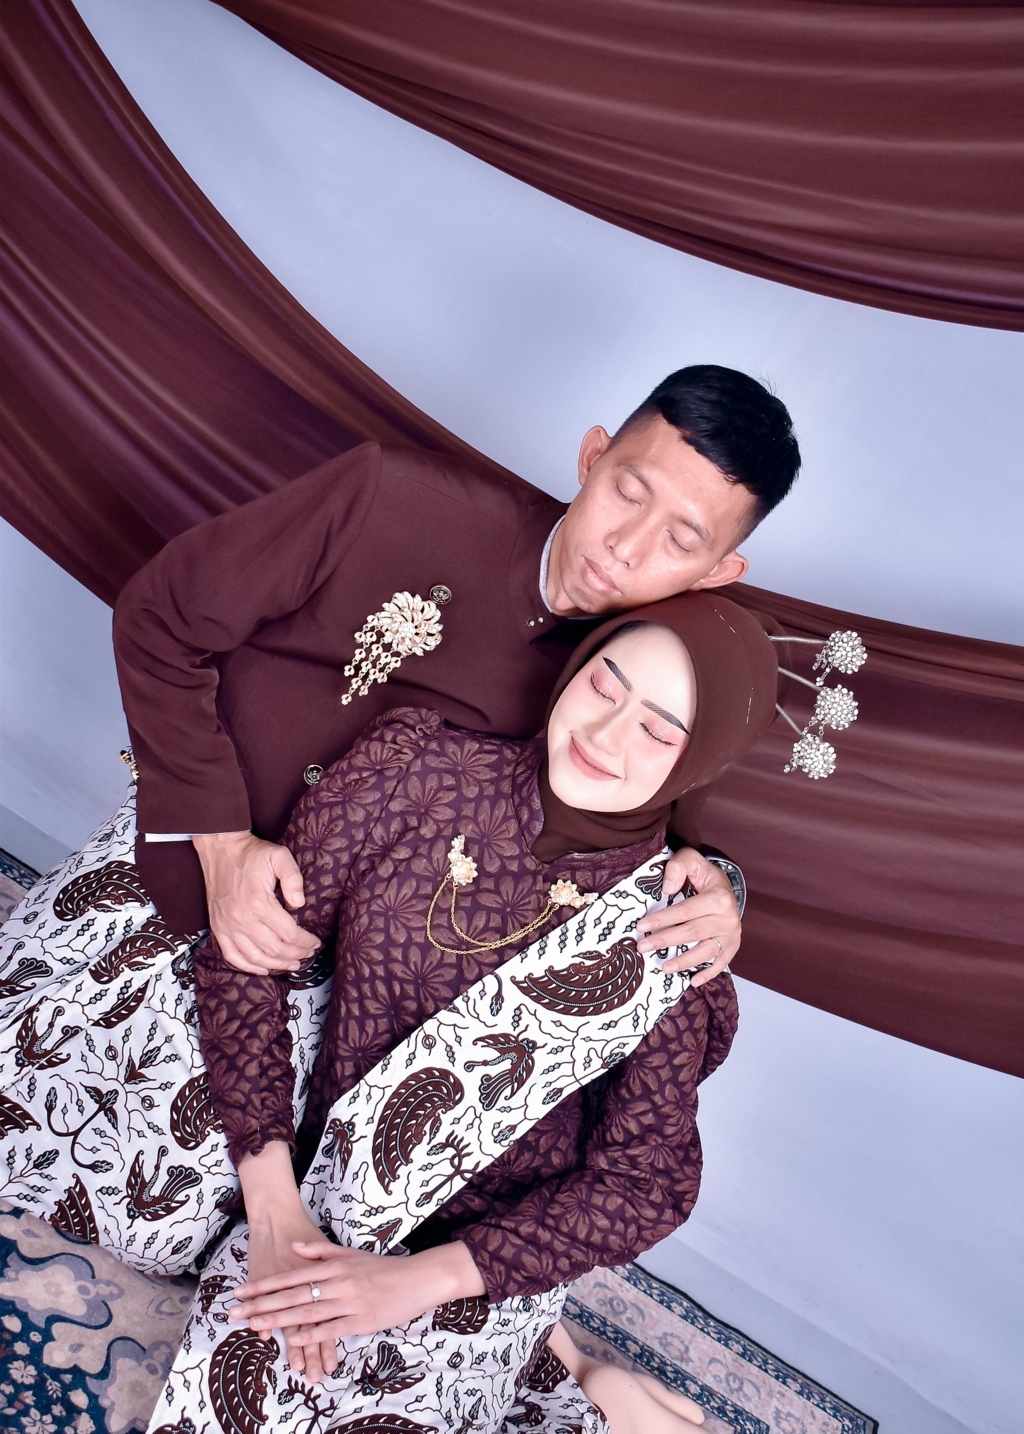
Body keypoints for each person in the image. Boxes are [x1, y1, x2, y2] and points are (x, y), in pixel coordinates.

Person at [143, 592, 781, 1433]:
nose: (605, 736)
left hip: (477, 1251)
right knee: (152, 1210)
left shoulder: (671, 932)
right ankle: (567, 1363)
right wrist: (274, 1210)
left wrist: (418, 1282)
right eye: (605, 686)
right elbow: (252, 951)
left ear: (696, 764)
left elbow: (644, 1185)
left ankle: (575, 1378)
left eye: (658, 732)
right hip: (316, 1165)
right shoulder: (419, 768)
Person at [113, 364, 801, 994]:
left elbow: (656, 832)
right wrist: (223, 842)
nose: (627, 547)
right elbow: (160, 617)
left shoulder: (661, 666)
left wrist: (722, 890)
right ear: (593, 457)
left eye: (680, 541)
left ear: (718, 572)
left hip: (345, 986)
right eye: (628, 493)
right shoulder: (391, 495)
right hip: (179, 858)